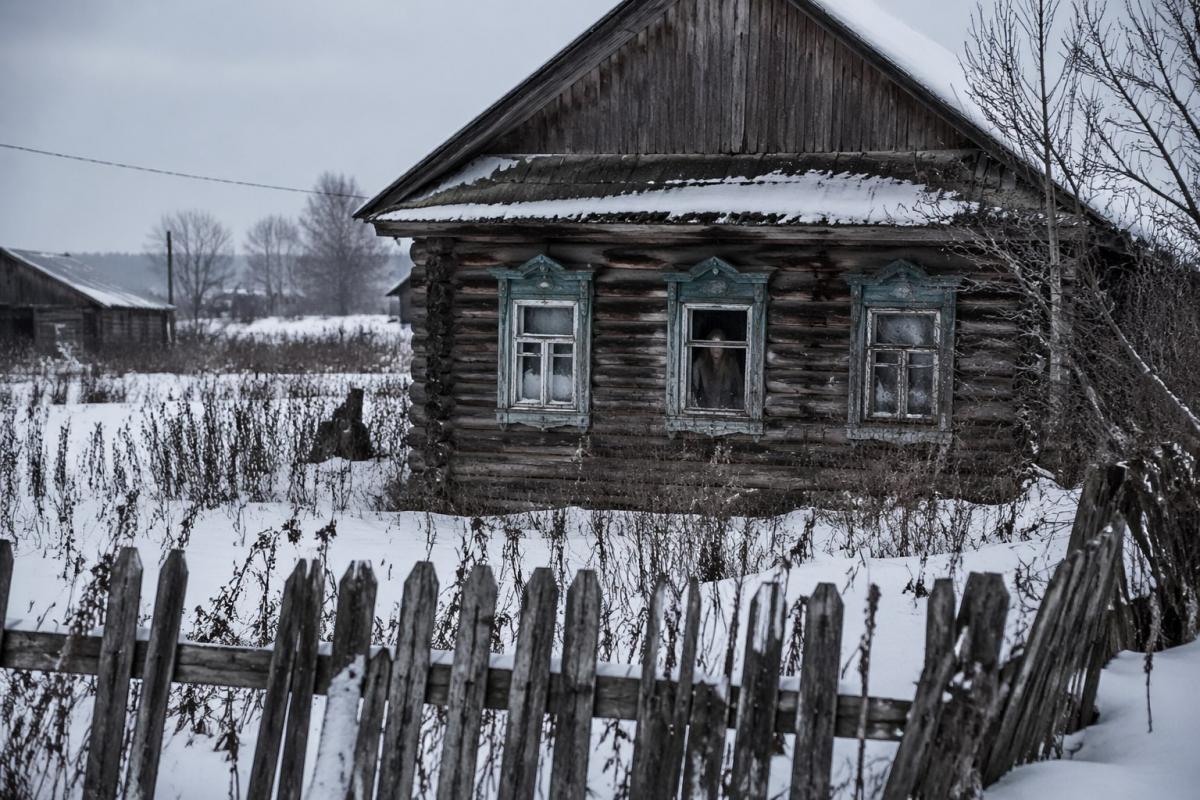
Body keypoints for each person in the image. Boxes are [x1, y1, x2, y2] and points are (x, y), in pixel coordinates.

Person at [691, 330, 743, 410]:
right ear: (708, 347)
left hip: (728, 411)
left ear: (724, 347)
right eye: (713, 344)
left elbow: (739, 391)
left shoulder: (731, 364)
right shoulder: (701, 364)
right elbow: (694, 390)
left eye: (720, 344)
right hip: (705, 411)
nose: (716, 348)